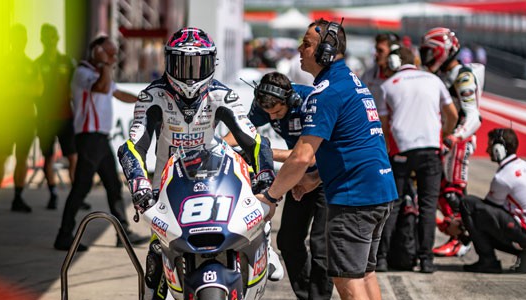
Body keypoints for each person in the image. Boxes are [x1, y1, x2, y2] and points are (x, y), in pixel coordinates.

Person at [117, 27, 283, 299]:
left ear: (212, 63)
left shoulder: (222, 95)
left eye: (198, 64)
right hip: (167, 188)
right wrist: (140, 189)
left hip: (216, 181)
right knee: (154, 275)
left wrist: (265, 177)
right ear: (169, 62)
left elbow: (255, 141)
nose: (190, 74)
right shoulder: (152, 96)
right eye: (182, 63)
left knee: (249, 220)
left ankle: (262, 239)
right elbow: (132, 148)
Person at [259, 19, 397, 300]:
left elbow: (301, 156)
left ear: (326, 52)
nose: (300, 48)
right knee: (365, 273)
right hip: (379, 191)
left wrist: (270, 198)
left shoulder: (326, 93)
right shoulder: (351, 82)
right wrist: (313, 178)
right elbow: (354, 145)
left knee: (345, 278)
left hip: (354, 199)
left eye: (307, 44)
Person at [223, 72, 333, 299]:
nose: (272, 117)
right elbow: (240, 132)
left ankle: (319, 297)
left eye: (277, 112)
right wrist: (220, 149)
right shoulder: (263, 104)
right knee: (288, 241)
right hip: (299, 176)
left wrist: (264, 152)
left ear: (289, 102)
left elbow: (310, 156)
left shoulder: (310, 102)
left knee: (321, 246)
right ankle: (307, 296)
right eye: (268, 113)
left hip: (327, 175)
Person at [53, 35, 148, 251]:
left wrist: (145, 99)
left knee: (113, 186)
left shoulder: (99, 72)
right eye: (110, 53)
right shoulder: (83, 72)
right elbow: (103, 88)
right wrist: (104, 64)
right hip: (89, 137)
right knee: (81, 188)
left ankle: (123, 233)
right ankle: (64, 235)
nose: (115, 58)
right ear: (98, 52)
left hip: (100, 139)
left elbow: (118, 92)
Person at [377, 47, 459, 273]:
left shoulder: (387, 86)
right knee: (428, 206)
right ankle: (426, 260)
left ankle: (382, 258)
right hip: (431, 150)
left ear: (394, 62)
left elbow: (384, 127)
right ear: (413, 60)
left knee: (392, 206)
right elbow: (452, 114)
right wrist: (444, 135)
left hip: (401, 150)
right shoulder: (433, 80)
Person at [420, 27, 485, 257]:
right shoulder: (442, 75)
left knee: (452, 192)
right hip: (446, 140)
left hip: (459, 141)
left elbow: (473, 115)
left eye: (430, 51)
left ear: (442, 51)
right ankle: (456, 234)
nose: (426, 56)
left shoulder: (462, 76)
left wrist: (455, 137)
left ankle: (462, 239)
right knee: (439, 191)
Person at [459, 128, 526, 273]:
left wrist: (463, 227)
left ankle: (488, 261)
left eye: (489, 146)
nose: (487, 150)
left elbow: (484, 211)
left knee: (468, 205)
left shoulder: (504, 177)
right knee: (481, 217)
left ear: (498, 149)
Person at [0, 24, 42, 212]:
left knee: (22, 158)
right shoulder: (2, 63)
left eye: (22, 38)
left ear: (25, 41)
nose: (19, 42)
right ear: (11, 40)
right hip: (7, 119)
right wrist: (19, 89)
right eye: (15, 38)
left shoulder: (31, 65)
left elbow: (39, 90)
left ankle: (18, 197)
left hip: (26, 119)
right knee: (0, 157)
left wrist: (19, 88)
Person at [34, 23, 78, 210]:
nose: (50, 40)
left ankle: (76, 195)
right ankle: (52, 193)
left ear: (57, 39)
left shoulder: (67, 61)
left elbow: (75, 89)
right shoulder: (37, 63)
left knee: (73, 157)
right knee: (48, 157)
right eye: (46, 37)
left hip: (65, 116)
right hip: (45, 118)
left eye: (53, 36)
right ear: (42, 40)